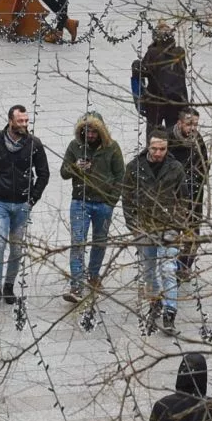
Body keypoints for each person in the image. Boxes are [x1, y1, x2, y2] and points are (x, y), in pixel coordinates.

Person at [0, 105, 49, 309]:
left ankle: (9, 285)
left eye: (26, 121)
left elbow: (44, 174)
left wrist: (32, 199)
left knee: (16, 248)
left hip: (22, 204)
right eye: (20, 121)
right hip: (0, 202)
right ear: (10, 121)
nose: (24, 124)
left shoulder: (34, 144)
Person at [124, 130, 193, 334]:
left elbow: (184, 199)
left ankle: (170, 313)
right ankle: (155, 303)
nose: (158, 152)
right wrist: (134, 226)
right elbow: (126, 198)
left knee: (168, 269)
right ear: (148, 146)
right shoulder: (135, 167)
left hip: (169, 227)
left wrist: (179, 224)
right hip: (144, 227)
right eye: (154, 148)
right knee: (149, 271)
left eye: (162, 149)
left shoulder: (175, 168)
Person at [61, 111, 124, 300]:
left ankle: (93, 275)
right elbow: (64, 172)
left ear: (101, 132)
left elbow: (121, 175)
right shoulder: (75, 146)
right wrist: (75, 167)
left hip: (103, 204)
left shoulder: (112, 148)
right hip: (80, 201)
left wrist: (111, 201)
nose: (90, 136)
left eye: (94, 132)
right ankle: (76, 286)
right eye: (87, 131)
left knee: (99, 242)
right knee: (78, 243)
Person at [170, 107, 210, 284]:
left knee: (193, 234)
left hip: (194, 196)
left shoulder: (197, 140)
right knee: (172, 233)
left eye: (195, 124)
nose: (192, 128)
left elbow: (205, 164)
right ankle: (170, 267)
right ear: (180, 123)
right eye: (189, 124)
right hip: (174, 196)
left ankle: (184, 266)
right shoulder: (169, 139)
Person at [132, 24, 191, 138]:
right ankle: (172, 153)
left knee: (153, 134)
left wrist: (136, 66)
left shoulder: (152, 53)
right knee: (175, 133)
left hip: (155, 101)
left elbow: (144, 71)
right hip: (177, 102)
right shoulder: (179, 52)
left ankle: (153, 152)